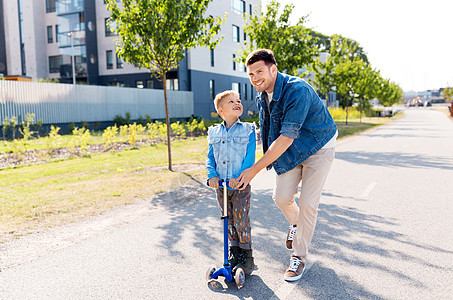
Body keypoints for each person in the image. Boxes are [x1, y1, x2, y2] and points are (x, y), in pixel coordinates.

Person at [234, 49, 338, 282]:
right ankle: (296, 223)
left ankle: (298, 256)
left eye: (259, 71)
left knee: (309, 203)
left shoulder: (297, 90)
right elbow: (270, 132)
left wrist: (254, 170)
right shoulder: (263, 95)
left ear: (274, 68)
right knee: (281, 197)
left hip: (318, 145)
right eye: (250, 74)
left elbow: (285, 138)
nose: (255, 78)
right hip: (292, 150)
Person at [206, 90, 257, 275]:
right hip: (222, 186)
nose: (237, 103)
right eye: (231, 101)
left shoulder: (248, 129)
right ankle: (234, 253)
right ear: (221, 110)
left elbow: (250, 157)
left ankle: (247, 257)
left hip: (239, 185)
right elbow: (210, 157)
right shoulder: (214, 132)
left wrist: (241, 177)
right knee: (227, 221)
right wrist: (212, 175)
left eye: (239, 100)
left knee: (241, 220)